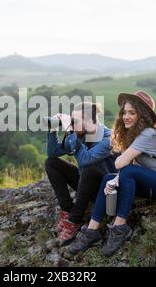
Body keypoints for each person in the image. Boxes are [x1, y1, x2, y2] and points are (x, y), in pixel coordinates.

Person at [68, 91, 156, 256]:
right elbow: (124, 170)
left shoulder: (148, 133)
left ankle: (120, 227)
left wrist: (118, 177)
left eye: (132, 113)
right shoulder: (134, 136)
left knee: (127, 171)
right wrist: (114, 181)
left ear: (143, 116)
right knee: (107, 178)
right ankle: (92, 231)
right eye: (124, 112)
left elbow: (120, 163)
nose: (126, 116)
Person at [45, 102, 117, 245]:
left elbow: (85, 160)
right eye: (71, 119)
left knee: (90, 167)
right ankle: (67, 210)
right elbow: (52, 153)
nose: (72, 123)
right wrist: (53, 129)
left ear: (90, 122)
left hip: (105, 191)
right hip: (87, 184)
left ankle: (74, 219)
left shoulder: (108, 139)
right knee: (51, 163)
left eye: (76, 121)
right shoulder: (80, 134)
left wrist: (70, 131)